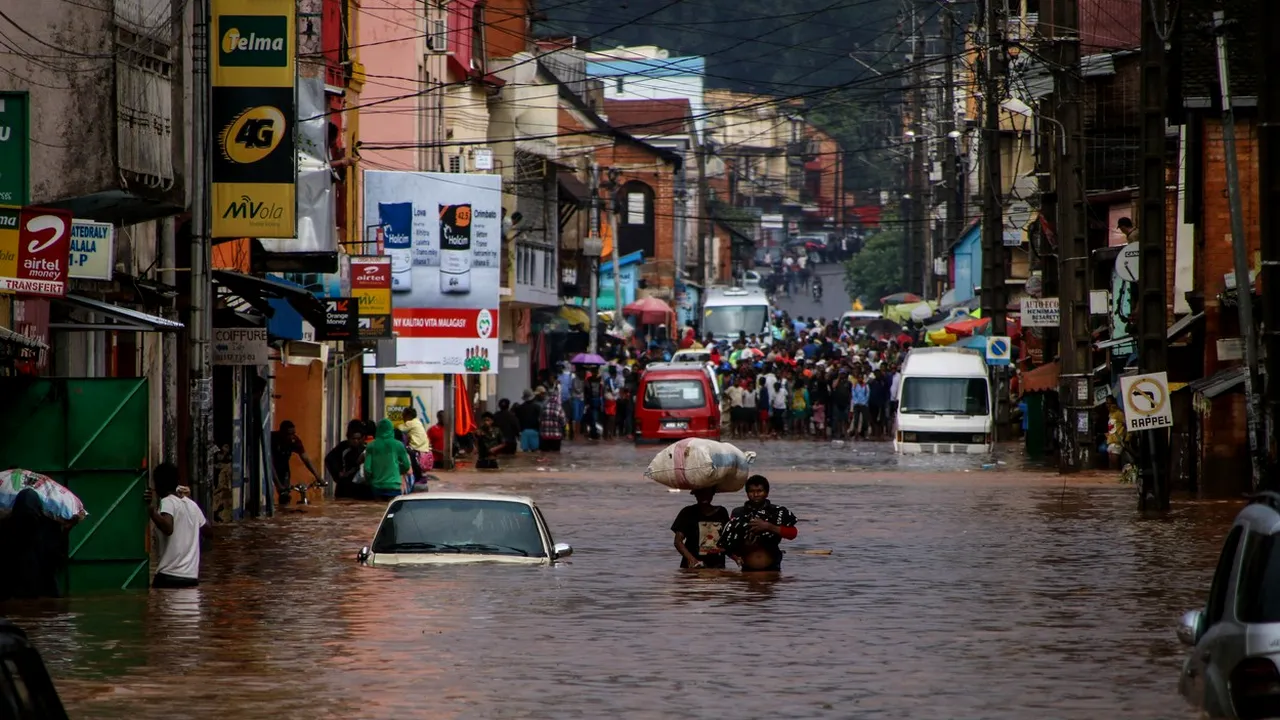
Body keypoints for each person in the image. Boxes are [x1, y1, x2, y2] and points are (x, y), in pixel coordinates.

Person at [718, 475, 798, 573]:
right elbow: (726, 542)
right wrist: (736, 557)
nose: (755, 494)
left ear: (767, 493)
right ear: (747, 493)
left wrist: (768, 526)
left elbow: (793, 534)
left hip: (773, 570)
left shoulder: (777, 512)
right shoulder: (738, 513)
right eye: (751, 491)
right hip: (747, 570)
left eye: (759, 491)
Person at [147, 462, 208, 589]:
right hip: (191, 579)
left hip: (168, 577)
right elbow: (209, 532)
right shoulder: (192, 505)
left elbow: (168, 528)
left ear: (158, 485)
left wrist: (151, 512)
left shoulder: (167, 502)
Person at [0, 488, 70, 599]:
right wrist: (66, 531)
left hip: (13, 588)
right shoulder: (50, 526)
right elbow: (59, 559)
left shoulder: (6, 525)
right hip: (43, 588)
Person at [670, 488, 730, 569]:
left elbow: (727, 539)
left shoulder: (721, 512)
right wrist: (693, 560)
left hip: (717, 567)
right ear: (695, 495)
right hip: (692, 568)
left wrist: (736, 557)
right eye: (700, 493)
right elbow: (678, 541)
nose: (704, 496)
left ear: (713, 493)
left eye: (707, 493)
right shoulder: (688, 512)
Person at [270, 420, 322, 506]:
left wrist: (318, 477)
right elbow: (269, 465)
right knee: (280, 491)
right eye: (288, 434)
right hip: (271, 466)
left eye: (293, 434)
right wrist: (278, 485)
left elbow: (306, 459)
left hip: (283, 468)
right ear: (281, 433)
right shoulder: (273, 439)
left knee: (285, 496)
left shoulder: (295, 441)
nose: (291, 437)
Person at [364, 418, 412, 500]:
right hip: (394, 485)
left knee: (378, 511)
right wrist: (397, 470)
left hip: (377, 486)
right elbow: (407, 465)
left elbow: (367, 469)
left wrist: (369, 481)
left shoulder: (371, 446)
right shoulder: (398, 445)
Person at [325, 420, 369, 500]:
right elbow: (329, 459)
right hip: (345, 488)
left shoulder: (368, 449)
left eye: (358, 439)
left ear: (363, 438)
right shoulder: (343, 447)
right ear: (348, 437)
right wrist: (338, 473)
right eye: (353, 439)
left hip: (363, 489)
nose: (356, 441)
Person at [399, 407, 432, 482]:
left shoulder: (410, 423)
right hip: (424, 449)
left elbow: (398, 429)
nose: (403, 418)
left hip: (416, 448)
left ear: (409, 416)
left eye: (403, 416)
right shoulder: (418, 422)